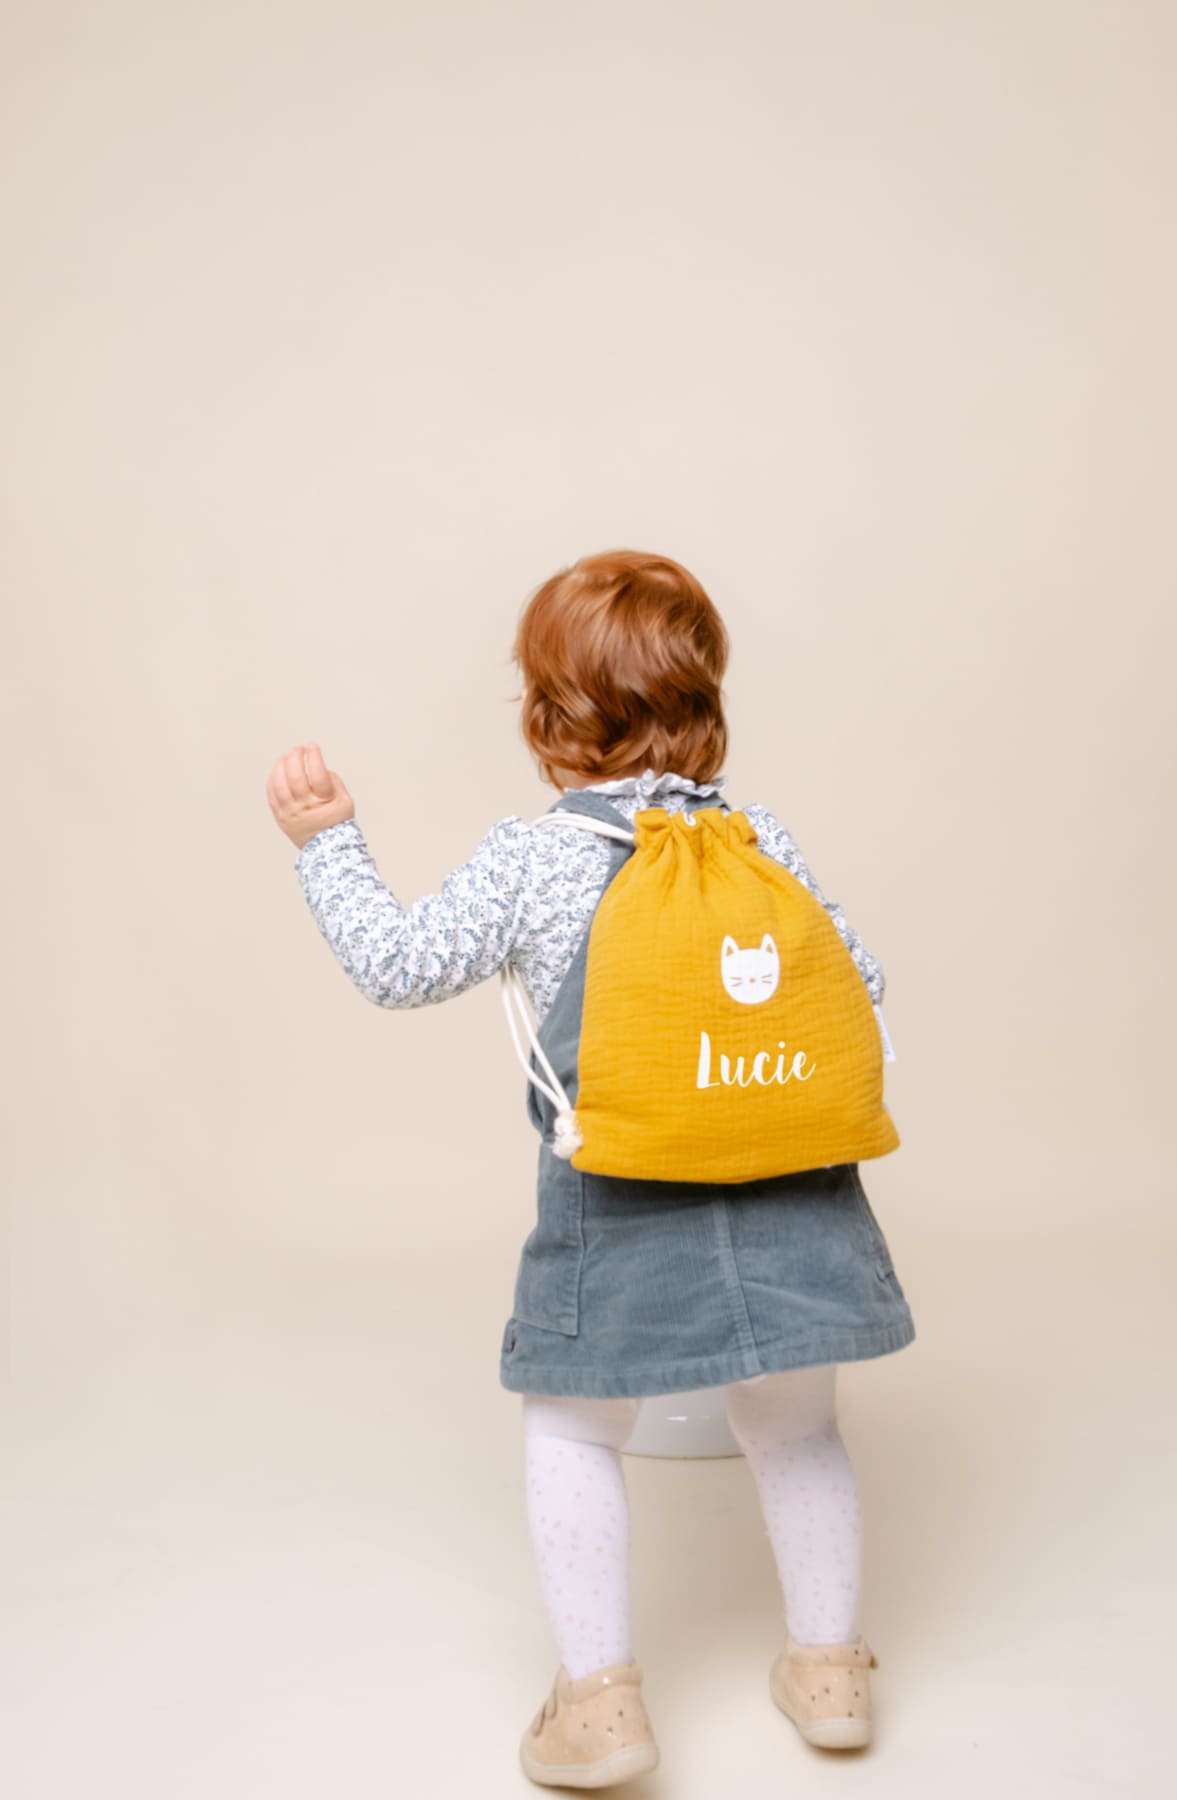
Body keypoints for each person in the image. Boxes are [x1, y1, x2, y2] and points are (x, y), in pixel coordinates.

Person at [266, 548, 916, 1787]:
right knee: (797, 1427)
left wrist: (326, 842)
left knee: (573, 1427)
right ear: (706, 701)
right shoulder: (762, 840)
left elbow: (399, 966)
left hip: (619, 1204)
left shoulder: (534, 858)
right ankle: (832, 1669)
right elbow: (860, 987)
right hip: (797, 1194)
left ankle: (601, 1705)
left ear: (546, 716)